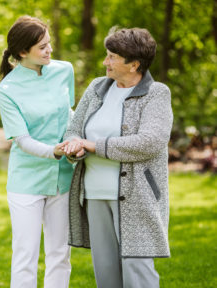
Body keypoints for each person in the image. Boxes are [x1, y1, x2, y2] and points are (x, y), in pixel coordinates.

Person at [63, 27, 173, 288]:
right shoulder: (97, 87)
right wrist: (74, 146)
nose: (105, 62)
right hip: (94, 194)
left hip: (138, 197)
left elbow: (149, 143)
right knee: (106, 272)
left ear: (134, 64)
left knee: (138, 272)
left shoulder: (156, 93)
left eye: (112, 57)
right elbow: (74, 129)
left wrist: (92, 145)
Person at [0, 16, 75, 288]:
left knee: (60, 254)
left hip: (62, 178)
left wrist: (74, 143)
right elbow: (22, 139)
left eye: (49, 44)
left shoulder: (64, 71)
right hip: (26, 182)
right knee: (25, 256)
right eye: (42, 47)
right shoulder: (7, 89)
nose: (49, 50)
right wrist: (54, 151)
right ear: (22, 52)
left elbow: (69, 116)